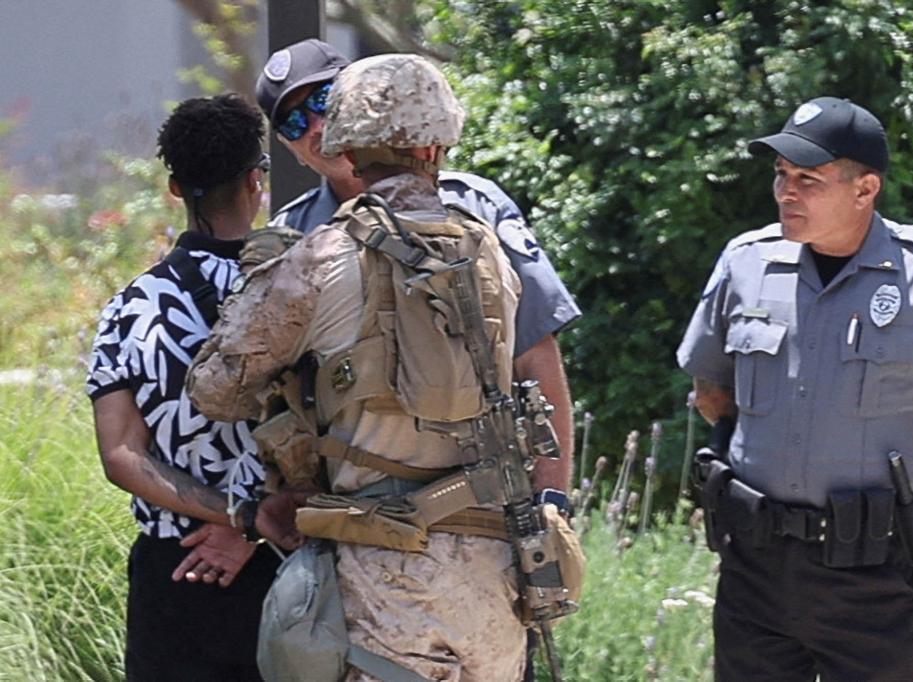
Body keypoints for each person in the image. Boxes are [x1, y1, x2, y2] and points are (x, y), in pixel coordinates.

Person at [188, 53, 554, 681]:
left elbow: (216, 390)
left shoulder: (318, 257)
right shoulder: (489, 251)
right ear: (437, 146)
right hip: (495, 588)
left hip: (385, 589)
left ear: (348, 151)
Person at [677, 96, 913, 681]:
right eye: (781, 175)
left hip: (874, 572)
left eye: (808, 179)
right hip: (755, 564)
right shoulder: (747, 263)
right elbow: (711, 386)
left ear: (866, 189)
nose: (787, 192)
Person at [256, 39, 579, 500]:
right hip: (355, 510)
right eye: (293, 121)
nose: (316, 125)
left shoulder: (474, 208)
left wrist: (552, 497)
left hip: (487, 497)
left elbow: (535, 354)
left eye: (324, 100)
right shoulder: (291, 237)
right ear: (288, 147)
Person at [86, 94, 303, 681]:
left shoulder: (130, 309)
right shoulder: (305, 289)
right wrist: (258, 524)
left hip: (174, 574)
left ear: (176, 188)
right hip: (290, 565)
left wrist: (241, 516)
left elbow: (121, 455)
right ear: (257, 180)